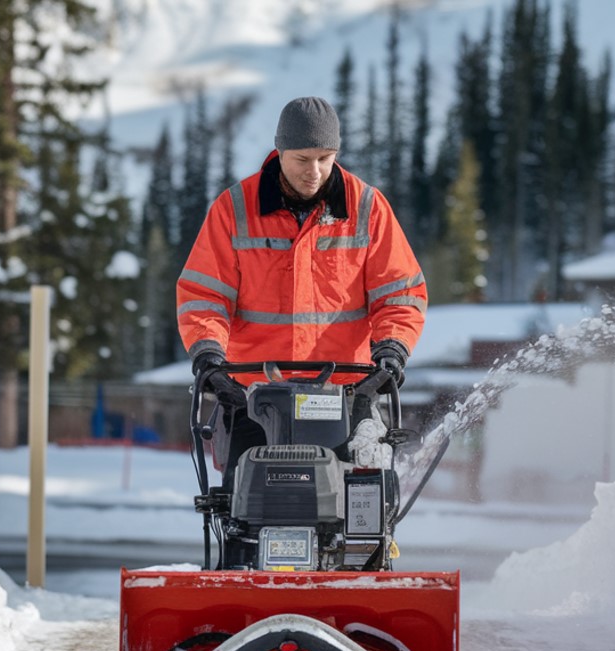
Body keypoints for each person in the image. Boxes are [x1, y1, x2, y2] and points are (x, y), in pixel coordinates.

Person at [176, 95, 428, 481]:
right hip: (251, 396)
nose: (315, 171)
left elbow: (399, 295)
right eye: (302, 159)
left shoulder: (367, 209)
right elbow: (204, 296)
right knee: (243, 507)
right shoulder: (234, 210)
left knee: (363, 508)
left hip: (348, 394)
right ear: (279, 152)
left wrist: (391, 350)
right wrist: (209, 356)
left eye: (325, 158)